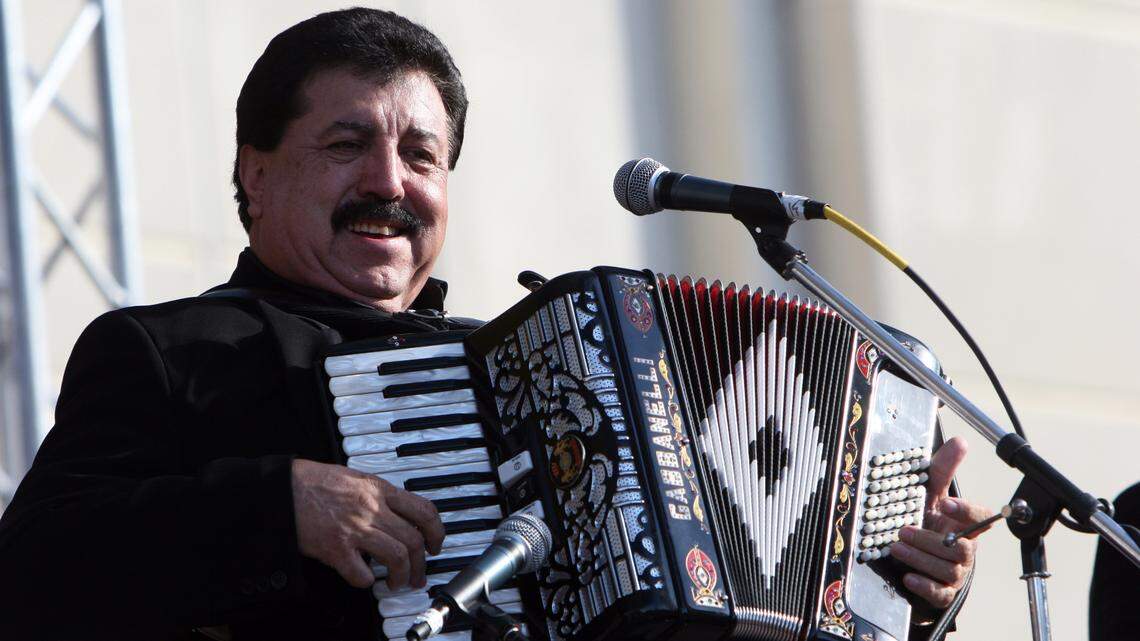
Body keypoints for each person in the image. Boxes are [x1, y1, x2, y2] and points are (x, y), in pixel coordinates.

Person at [0, 7, 987, 640]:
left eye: (421, 157)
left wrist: (910, 587)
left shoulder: (517, 354)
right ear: (256, 171)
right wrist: (273, 507)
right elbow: (33, 573)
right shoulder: (170, 351)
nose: (389, 182)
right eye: (346, 145)